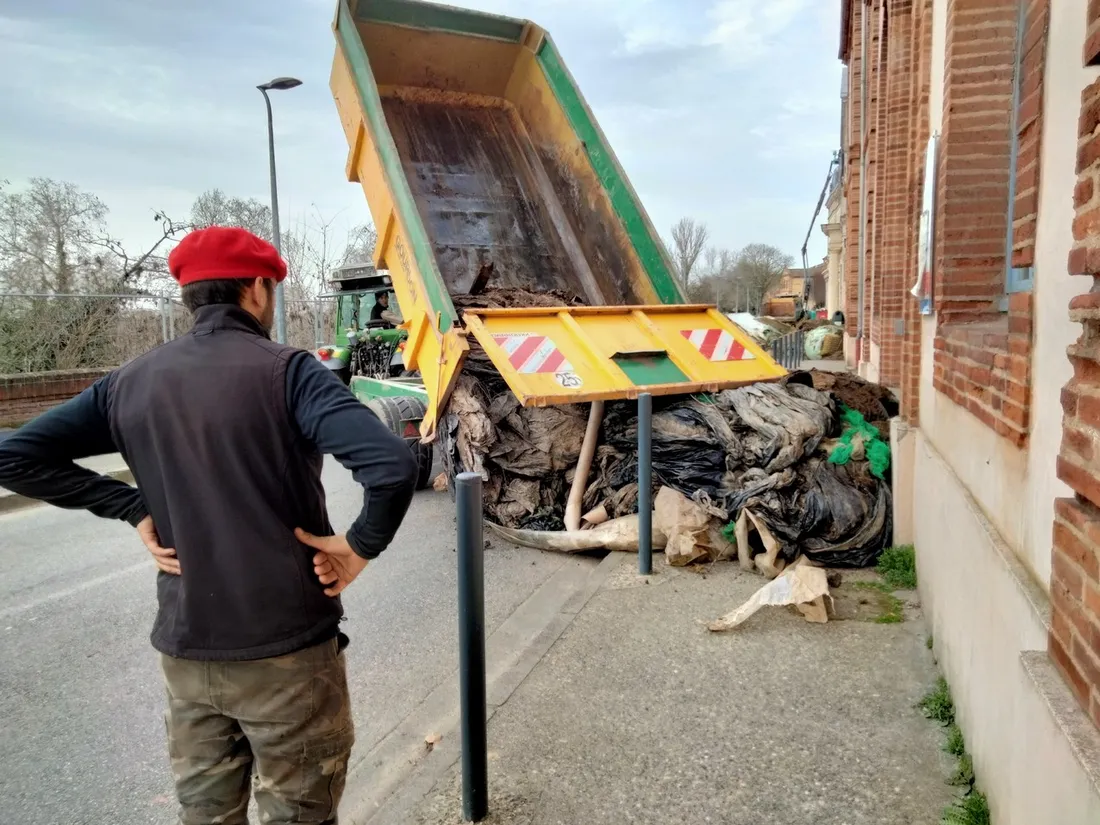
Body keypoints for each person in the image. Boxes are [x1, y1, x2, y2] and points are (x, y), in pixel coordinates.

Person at [0, 226, 419, 824]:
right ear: (256, 289)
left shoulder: (128, 383)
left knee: (206, 815)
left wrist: (130, 506)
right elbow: (390, 465)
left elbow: (12, 456)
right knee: (300, 812)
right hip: (288, 657)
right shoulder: (289, 372)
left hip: (187, 651)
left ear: (189, 298)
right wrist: (358, 547)